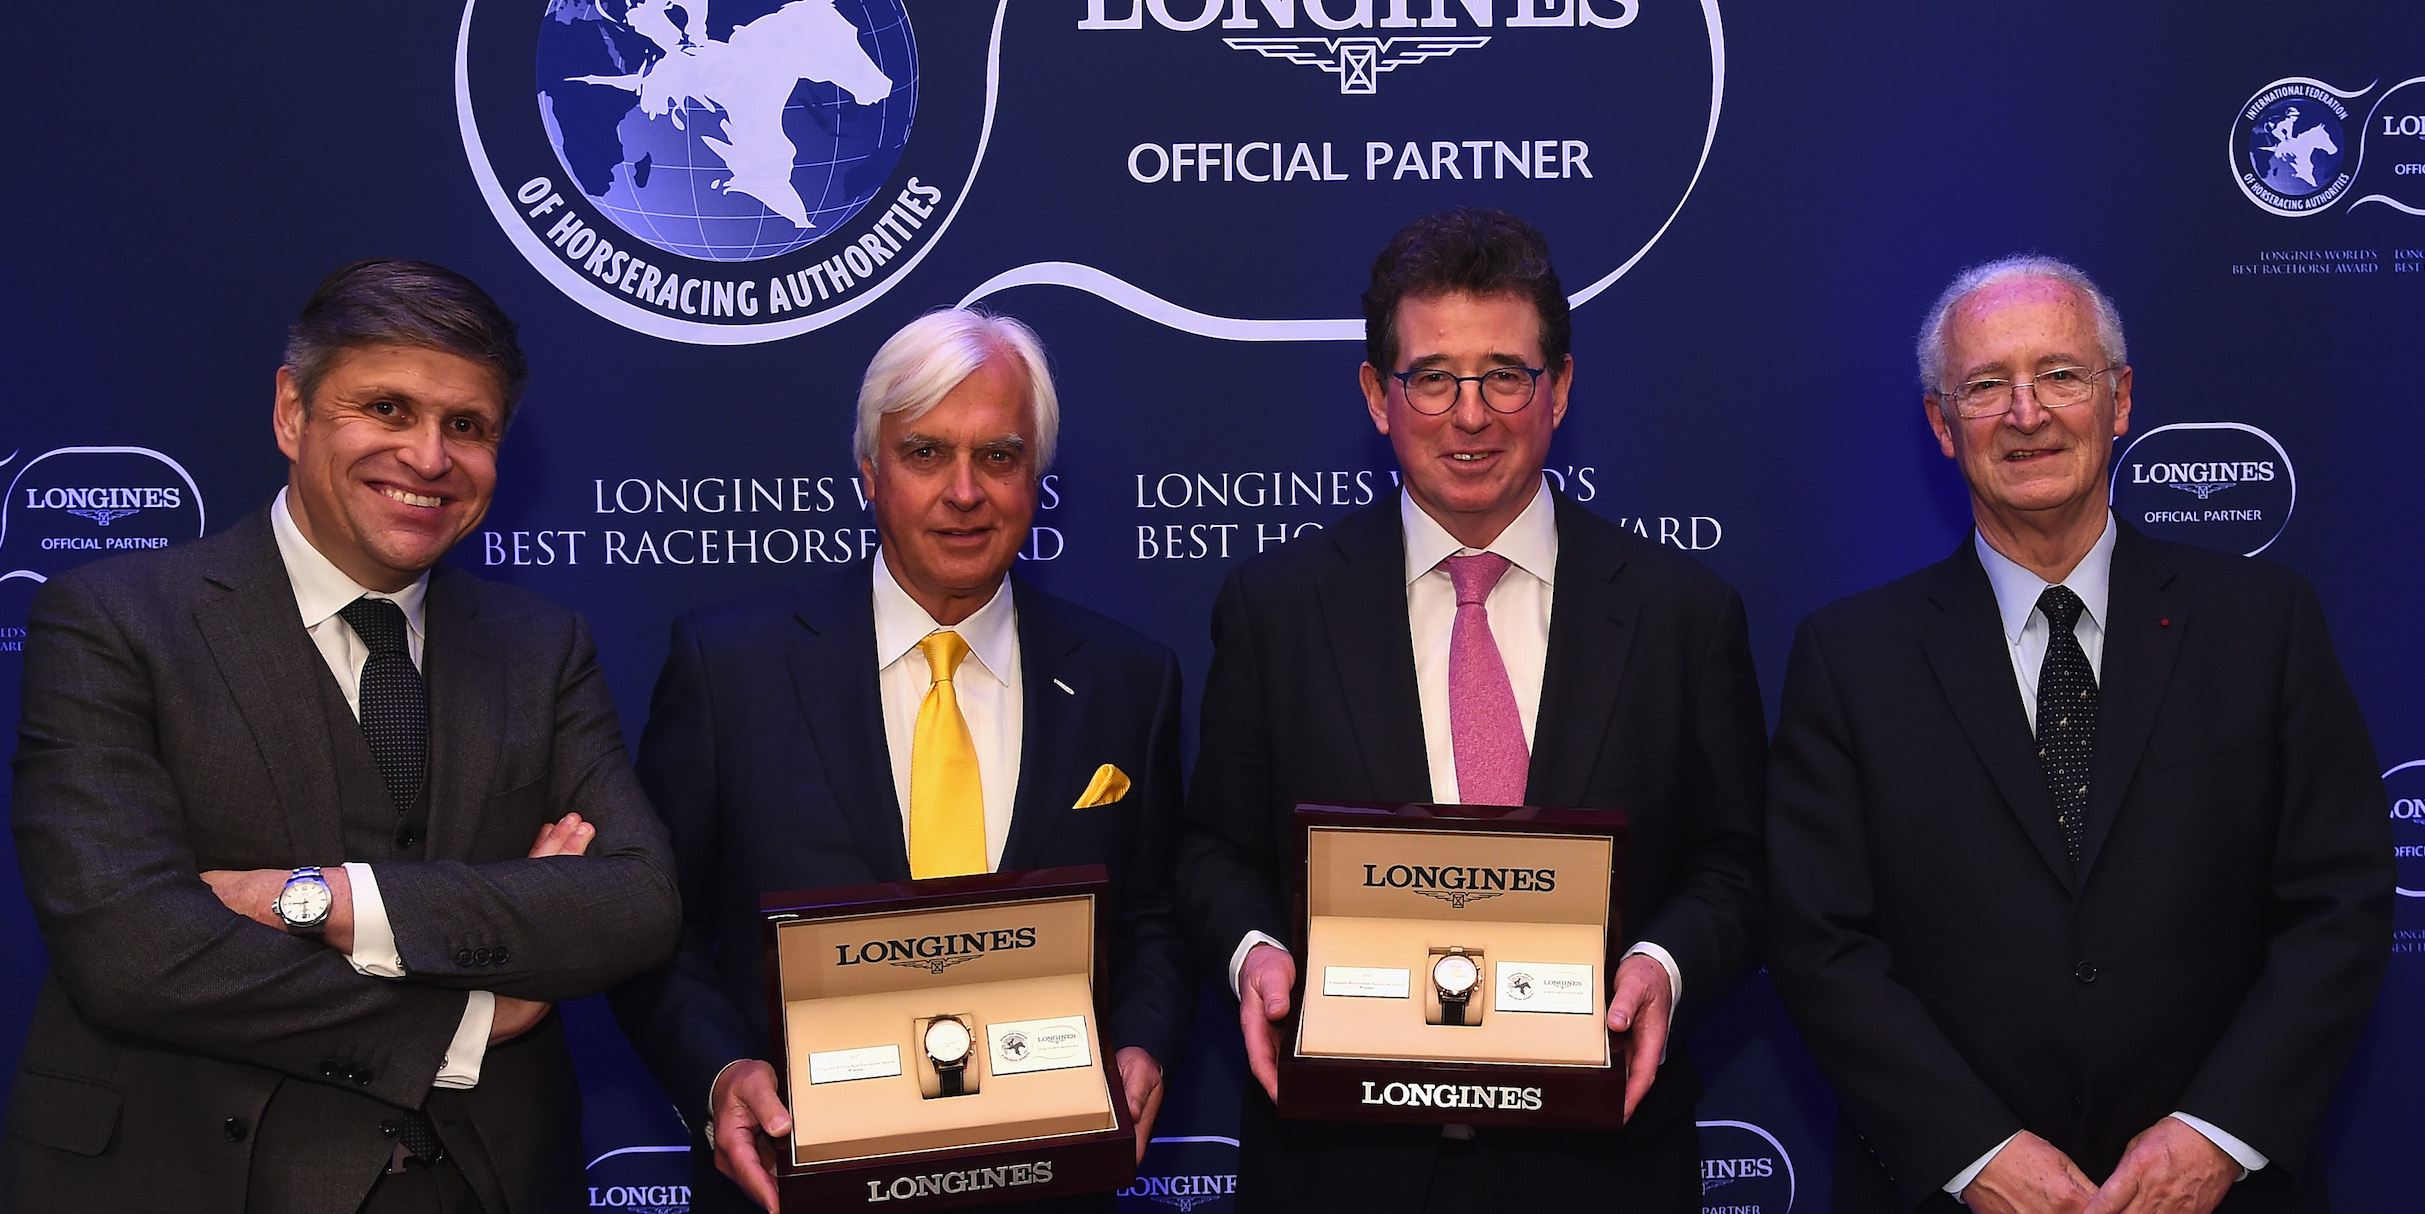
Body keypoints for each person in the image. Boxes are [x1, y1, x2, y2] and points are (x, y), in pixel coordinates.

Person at [6, 258, 682, 1214]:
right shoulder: (113, 620)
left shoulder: (542, 646)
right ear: (293, 412)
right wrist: (470, 1015)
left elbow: (636, 902)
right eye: (389, 409)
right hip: (197, 1176)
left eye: (468, 427)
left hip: (487, 1181)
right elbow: (133, 951)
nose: (430, 457)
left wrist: (318, 899)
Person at [1766, 255, 2393, 1214]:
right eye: (1985, 386)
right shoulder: (1850, 657)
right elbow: (1820, 945)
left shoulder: (2262, 624)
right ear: (1941, 424)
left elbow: (2337, 903)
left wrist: (2217, 1135)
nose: (2027, 413)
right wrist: (1974, 1153)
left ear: (2120, 400)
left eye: (2061, 375)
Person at [1175, 208, 1767, 1209]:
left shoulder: (1682, 614)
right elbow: (1210, 853)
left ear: (1559, 389)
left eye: (1505, 374)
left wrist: (1665, 961)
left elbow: (1739, 863)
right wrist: (1254, 951)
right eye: (1433, 377)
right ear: (1377, 394)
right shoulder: (1274, 608)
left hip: (1604, 1164)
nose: (1470, 413)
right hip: (1337, 1163)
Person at [609, 307, 1193, 1213]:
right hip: (797, 1180)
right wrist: (720, 1073)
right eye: (925, 454)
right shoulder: (730, 669)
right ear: (870, 474)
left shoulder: (1130, 678)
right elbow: (655, 928)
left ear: (1036, 478)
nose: (965, 492)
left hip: (1045, 1182)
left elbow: (1153, 916)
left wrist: (1144, 1042)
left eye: (998, 456)